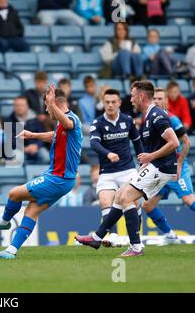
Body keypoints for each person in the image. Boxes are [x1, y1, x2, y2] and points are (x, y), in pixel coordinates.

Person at [76, 81, 179, 257]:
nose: (130, 100)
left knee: (125, 197)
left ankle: (135, 247)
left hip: (161, 167)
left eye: (132, 96)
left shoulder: (156, 116)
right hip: (155, 166)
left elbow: (174, 142)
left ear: (141, 96)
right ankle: (97, 237)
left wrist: (150, 157)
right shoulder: (148, 115)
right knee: (121, 195)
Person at [0, 86, 83, 259]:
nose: (45, 109)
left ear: (55, 104)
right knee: (31, 211)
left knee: (14, 194)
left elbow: (67, 125)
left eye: (47, 105)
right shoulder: (63, 123)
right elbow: (56, 135)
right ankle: (10, 251)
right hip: (62, 179)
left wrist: (52, 105)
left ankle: (3, 222)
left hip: (58, 178)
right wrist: (33, 135)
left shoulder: (70, 119)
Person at [88, 88, 143, 246]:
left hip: (127, 170)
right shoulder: (98, 123)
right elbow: (94, 143)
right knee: (105, 201)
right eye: (107, 102)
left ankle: (136, 240)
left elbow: (137, 141)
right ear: (103, 103)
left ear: (119, 103)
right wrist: (108, 154)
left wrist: (143, 161)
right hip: (107, 172)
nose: (110, 105)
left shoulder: (127, 120)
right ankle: (113, 237)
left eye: (113, 102)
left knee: (134, 203)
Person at [141, 88, 195, 245]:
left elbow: (186, 142)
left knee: (189, 200)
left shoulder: (172, 119)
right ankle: (170, 235)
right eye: (154, 99)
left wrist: (179, 165)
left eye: (159, 99)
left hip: (175, 169)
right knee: (147, 205)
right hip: (160, 170)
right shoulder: (150, 119)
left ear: (166, 101)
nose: (156, 101)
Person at [4, 96, 48, 164]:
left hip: (35, 148)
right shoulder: (8, 121)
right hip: (18, 149)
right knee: (18, 158)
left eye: (22, 105)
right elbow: (10, 140)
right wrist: (25, 149)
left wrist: (36, 145)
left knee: (46, 156)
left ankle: (36, 173)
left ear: (27, 106)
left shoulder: (35, 120)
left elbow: (42, 135)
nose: (19, 108)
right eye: (17, 105)